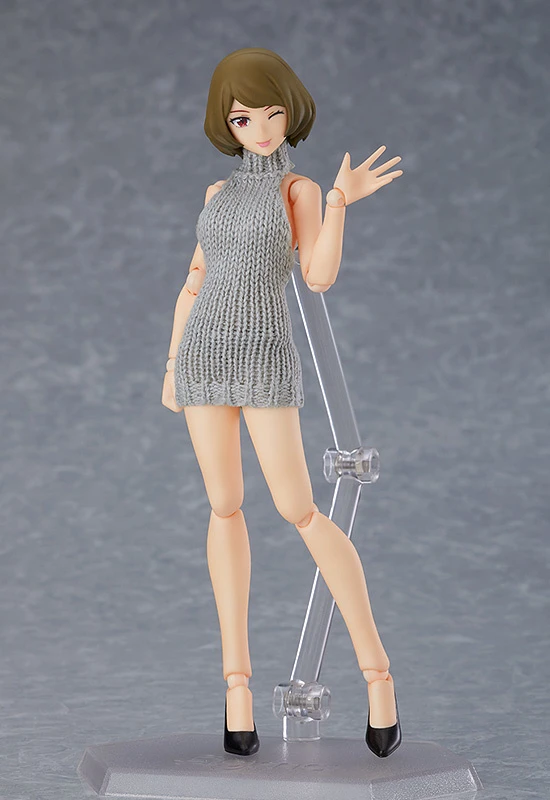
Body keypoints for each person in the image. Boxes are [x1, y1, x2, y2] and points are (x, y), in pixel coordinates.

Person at [161, 47, 404, 758]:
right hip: (203, 360)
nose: (261, 129)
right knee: (223, 506)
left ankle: (378, 676)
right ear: (227, 123)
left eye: (271, 113)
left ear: (290, 113)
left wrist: (338, 202)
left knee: (299, 509)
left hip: (265, 360)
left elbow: (318, 276)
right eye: (244, 117)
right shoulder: (217, 193)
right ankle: (236, 690)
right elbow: (194, 280)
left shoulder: (296, 190)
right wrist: (172, 364)